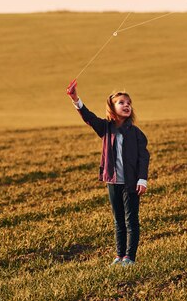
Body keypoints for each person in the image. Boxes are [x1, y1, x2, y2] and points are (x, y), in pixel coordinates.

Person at [66, 79, 150, 266]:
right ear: (112, 107)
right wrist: (75, 98)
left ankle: (130, 257)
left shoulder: (137, 133)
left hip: (131, 183)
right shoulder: (105, 128)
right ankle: (119, 256)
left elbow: (143, 158)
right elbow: (88, 117)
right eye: (121, 103)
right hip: (113, 182)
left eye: (128, 103)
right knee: (118, 221)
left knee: (131, 220)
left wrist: (142, 179)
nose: (126, 106)